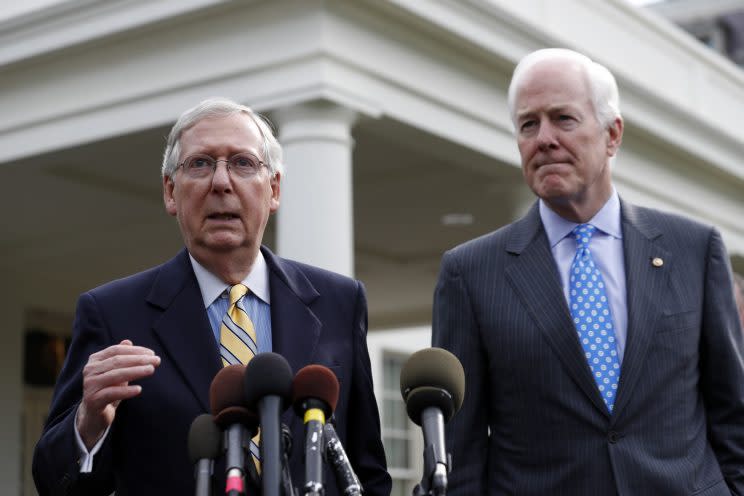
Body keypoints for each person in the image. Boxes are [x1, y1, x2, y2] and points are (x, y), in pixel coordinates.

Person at [32, 97, 392, 496]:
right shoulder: (112, 314)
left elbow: (367, 471)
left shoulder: (339, 302)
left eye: (242, 162)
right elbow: (53, 480)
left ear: (273, 190)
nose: (221, 182)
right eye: (200, 164)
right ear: (171, 192)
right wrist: (87, 423)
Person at [432, 48, 744, 495]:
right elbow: (459, 450)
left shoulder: (695, 250)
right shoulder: (471, 273)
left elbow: (732, 413)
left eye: (563, 119)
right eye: (528, 124)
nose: (544, 138)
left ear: (612, 134)